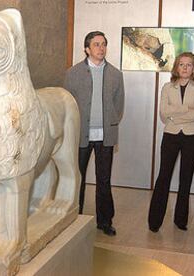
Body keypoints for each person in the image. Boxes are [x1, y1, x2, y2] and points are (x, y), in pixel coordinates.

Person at [64, 31, 125, 236]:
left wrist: (109, 121)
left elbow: (119, 105)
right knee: (77, 178)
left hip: (105, 136)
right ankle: (75, 218)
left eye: (104, 44)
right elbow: (67, 105)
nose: (101, 48)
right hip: (81, 135)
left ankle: (105, 221)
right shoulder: (72, 74)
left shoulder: (116, 75)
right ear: (87, 49)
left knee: (104, 180)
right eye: (97, 44)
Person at [148, 52, 194, 232]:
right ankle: (154, 222)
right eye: (182, 64)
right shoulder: (167, 87)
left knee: (185, 178)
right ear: (176, 67)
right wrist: (185, 109)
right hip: (171, 135)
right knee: (163, 176)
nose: (185, 68)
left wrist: (176, 115)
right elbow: (164, 113)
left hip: (192, 137)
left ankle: (181, 221)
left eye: (189, 65)